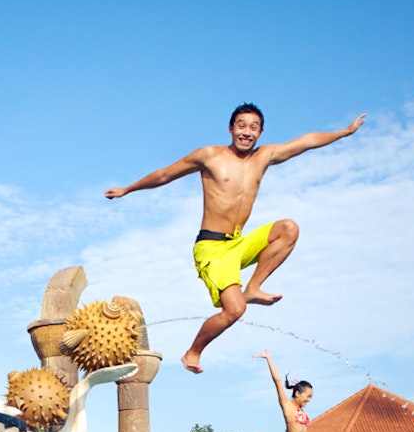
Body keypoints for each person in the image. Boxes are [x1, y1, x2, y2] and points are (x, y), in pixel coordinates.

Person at [105, 104, 365, 373]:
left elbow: (306, 142)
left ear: (261, 133)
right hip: (212, 248)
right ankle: (193, 352)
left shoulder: (264, 156)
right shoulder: (209, 156)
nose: (247, 132)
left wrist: (344, 133)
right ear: (231, 128)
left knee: (288, 228)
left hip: (238, 243)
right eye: (241, 125)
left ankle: (253, 287)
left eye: (254, 127)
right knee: (235, 310)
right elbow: (165, 174)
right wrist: (128, 189)